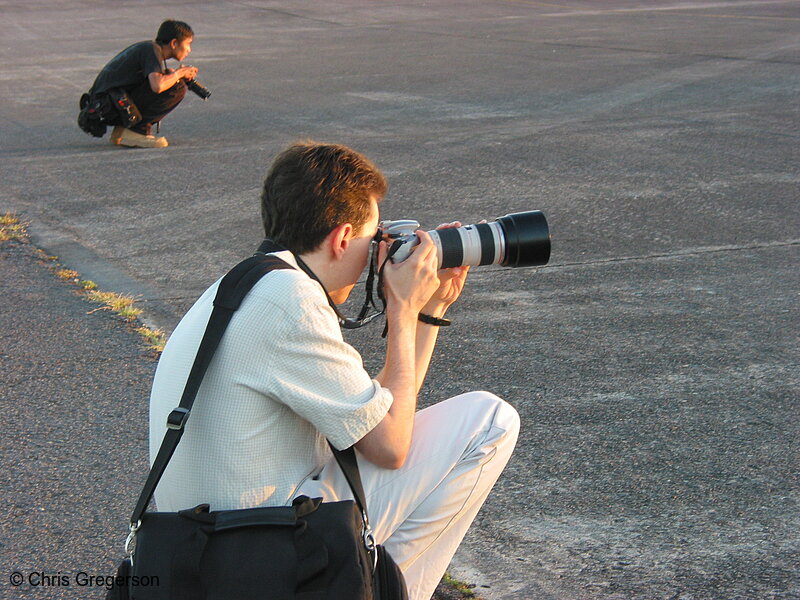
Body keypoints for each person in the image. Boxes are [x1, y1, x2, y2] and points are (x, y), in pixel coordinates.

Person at [149, 141, 520, 600]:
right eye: (372, 238)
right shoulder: (292, 303)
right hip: (257, 552)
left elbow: (378, 420)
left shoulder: (249, 283)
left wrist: (428, 312)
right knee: (490, 419)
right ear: (343, 238)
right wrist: (402, 309)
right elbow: (391, 447)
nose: (376, 253)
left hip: (204, 546)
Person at [85, 20, 198, 148]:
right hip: (106, 107)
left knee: (171, 81)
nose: (189, 49)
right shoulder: (152, 50)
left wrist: (170, 74)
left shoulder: (148, 48)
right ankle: (136, 131)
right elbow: (157, 86)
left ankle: (123, 130)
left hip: (105, 106)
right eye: (188, 44)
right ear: (174, 43)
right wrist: (179, 73)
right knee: (177, 87)